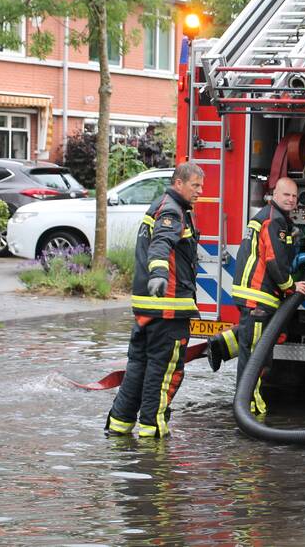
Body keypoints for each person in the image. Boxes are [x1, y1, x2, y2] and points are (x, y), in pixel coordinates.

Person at [105, 162, 204, 438]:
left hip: (148, 309)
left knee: (138, 368)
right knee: (164, 373)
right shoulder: (172, 211)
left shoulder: (160, 205)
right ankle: (153, 435)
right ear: (179, 183)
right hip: (168, 309)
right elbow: (161, 244)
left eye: (201, 186)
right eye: (195, 185)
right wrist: (159, 274)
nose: (200, 191)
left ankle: (119, 427)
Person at [226, 176, 305, 415]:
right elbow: (274, 259)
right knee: (256, 355)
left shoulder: (274, 218)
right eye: (286, 195)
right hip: (257, 296)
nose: (291, 199)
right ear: (274, 194)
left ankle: (248, 400)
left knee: (255, 352)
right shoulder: (273, 220)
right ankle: (247, 406)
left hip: (257, 295)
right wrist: (291, 287)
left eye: (294, 196)